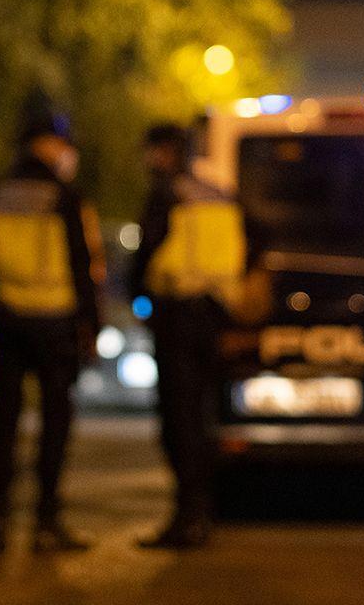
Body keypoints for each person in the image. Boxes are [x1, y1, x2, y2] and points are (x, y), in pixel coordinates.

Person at [0, 105, 104, 554]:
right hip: (56, 322)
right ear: (47, 144)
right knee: (54, 424)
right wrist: (91, 323)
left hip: (10, 320)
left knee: (5, 424)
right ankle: (46, 523)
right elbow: (80, 264)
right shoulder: (64, 195)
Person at [131, 122, 247, 549]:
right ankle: (204, 512)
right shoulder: (220, 193)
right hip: (216, 316)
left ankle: (187, 517)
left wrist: (137, 298)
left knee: (178, 420)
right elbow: (255, 238)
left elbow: (146, 254)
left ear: (165, 152)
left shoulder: (167, 194)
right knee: (203, 415)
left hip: (177, 315)